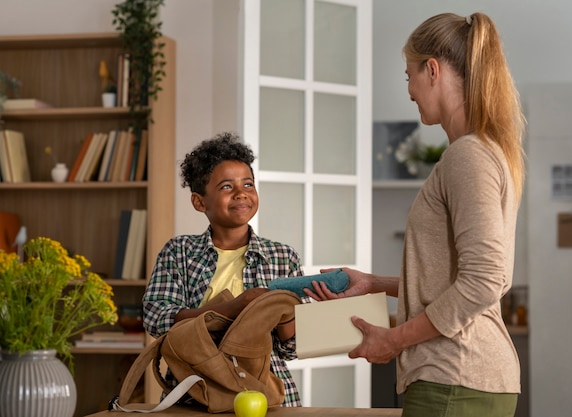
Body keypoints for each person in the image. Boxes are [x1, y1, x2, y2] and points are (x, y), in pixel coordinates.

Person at [305, 12, 526, 417]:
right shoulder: (483, 151)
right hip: (467, 377)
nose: (408, 89)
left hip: (454, 374)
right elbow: (462, 275)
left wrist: (395, 339)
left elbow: (485, 280)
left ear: (433, 70)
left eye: (409, 74)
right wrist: (374, 283)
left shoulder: (468, 156)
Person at [143, 132, 306, 407]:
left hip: (268, 396)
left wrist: (285, 311)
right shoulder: (179, 252)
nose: (241, 193)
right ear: (199, 202)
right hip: (192, 395)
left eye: (248, 184)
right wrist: (233, 308)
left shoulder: (282, 257)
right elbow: (156, 317)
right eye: (227, 187)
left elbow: (292, 349)